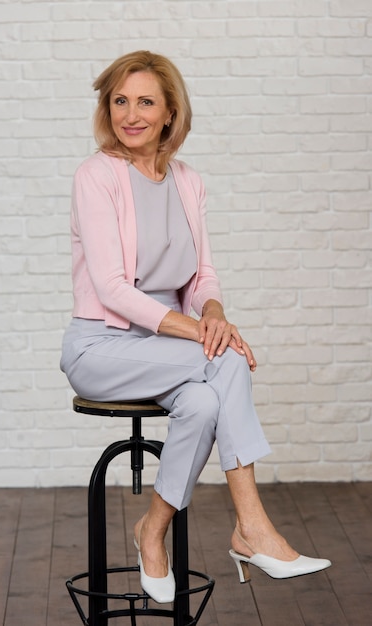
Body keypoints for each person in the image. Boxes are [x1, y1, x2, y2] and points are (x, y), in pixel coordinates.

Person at [60, 50, 331, 604]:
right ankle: (252, 527)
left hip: (171, 343)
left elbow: (202, 275)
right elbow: (112, 288)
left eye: (145, 102)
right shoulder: (96, 176)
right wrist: (208, 337)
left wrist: (213, 314)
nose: (130, 114)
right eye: (119, 100)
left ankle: (151, 530)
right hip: (102, 348)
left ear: (169, 113)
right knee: (226, 359)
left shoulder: (187, 182)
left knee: (204, 405)